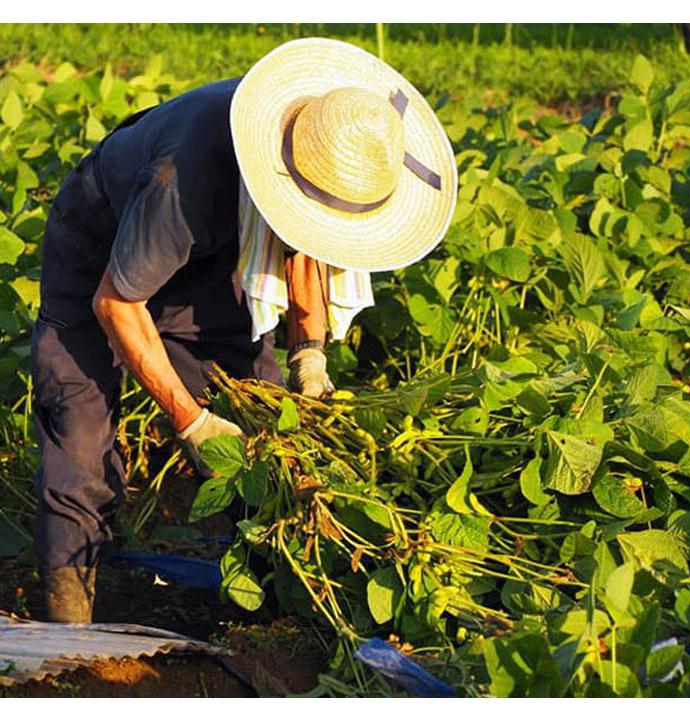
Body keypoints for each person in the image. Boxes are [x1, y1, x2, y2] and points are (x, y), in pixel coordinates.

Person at [31, 37, 457, 623]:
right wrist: (192, 421)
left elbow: (307, 242)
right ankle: (67, 618)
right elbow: (117, 302)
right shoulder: (180, 182)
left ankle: (256, 605)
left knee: (257, 409)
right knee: (79, 422)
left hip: (212, 249)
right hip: (100, 246)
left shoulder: (317, 149)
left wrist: (310, 354)